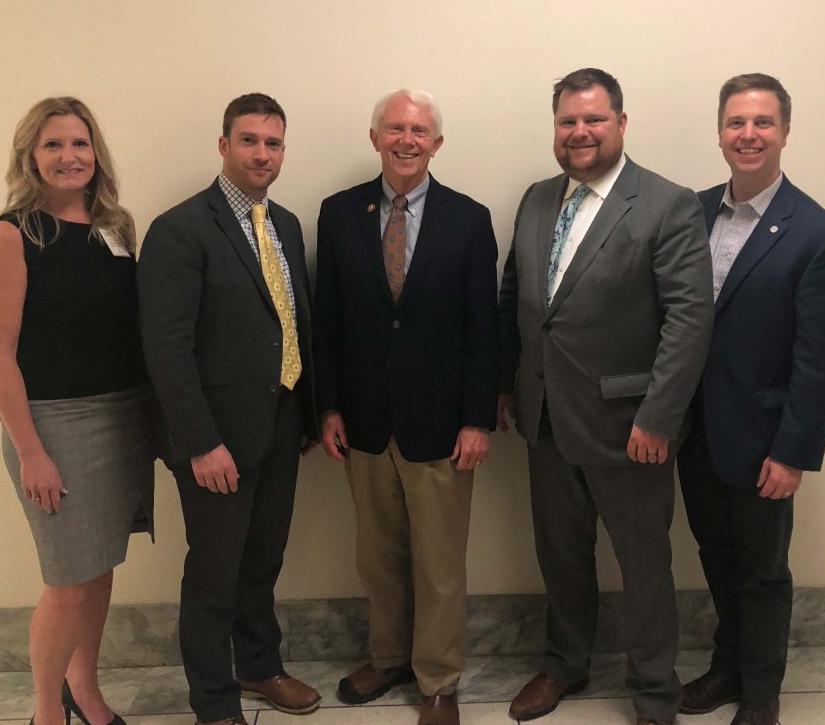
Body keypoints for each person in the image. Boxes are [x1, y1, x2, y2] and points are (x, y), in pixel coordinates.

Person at [498, 68, 714, 725]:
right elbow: (517, 298)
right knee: (560, 556)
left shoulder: (667, 204)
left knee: (643, 564)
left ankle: (653, 692)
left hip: (631, 427)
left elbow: (689, 318)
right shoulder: (537, 199)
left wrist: (659, 415)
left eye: (594, 119)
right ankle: (566, 663)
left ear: (621, 123)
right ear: (556, 129)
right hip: (545, 422)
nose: (580, 132)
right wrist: (510, 385)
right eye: (568, 121)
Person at [314, 89, 499, 725]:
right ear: (375, 138)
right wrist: (329, 406)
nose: (407, 139)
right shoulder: (338, 214)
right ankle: (388, 656)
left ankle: (440, 681)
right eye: (395, 128)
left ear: (437, 144)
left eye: (419, 130)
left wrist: (478, 418)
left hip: (444, 427)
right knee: (378, 554)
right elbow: (327, 321)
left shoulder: (469, 219)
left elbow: (485, 327)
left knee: (440, 563)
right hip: (363, 422)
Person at [137, 93, 320, 724]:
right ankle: (214, 701)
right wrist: (199, 443)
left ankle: (261, 668)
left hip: (282, 426)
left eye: (273, 143)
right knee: (215, 573)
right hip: (215, 440)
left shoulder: (286, 225)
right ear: (223, 146)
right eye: (249, 141)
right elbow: (165, 349)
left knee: (262, 563)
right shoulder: (179, 229)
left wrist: (308, 416)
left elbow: (291, 324)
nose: (262, 154)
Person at [677, 74, 825, 725]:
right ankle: (727, 667)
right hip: (694, 431)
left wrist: (793, 451)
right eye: (735, 122)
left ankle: (761, 690)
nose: (747, 135)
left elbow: (820, 357)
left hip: (763, 440)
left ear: (783, 131)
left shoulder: (817, 234)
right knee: (716, 557)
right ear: (719, 131)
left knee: (762, 571)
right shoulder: (688, 213)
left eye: (762, 123)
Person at [0, 97, 156, 725]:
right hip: (54, 426)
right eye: (53, 145)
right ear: (30, 155)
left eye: (79, 144)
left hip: (123, 417)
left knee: (100, 565)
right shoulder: (11, 234)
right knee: (67, 580)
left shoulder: (115, 226)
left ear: (95, 153)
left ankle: (86, 690)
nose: (68, 156)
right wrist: (31, 451)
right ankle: (45, 712)